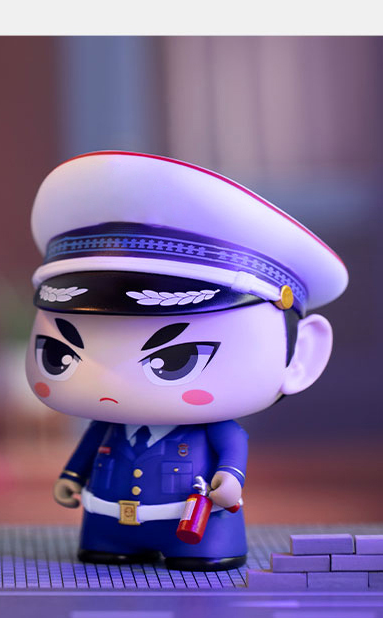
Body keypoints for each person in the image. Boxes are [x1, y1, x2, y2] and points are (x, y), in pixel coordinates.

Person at [25, 151, 347, 571]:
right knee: (104, 553)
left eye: (176, 360)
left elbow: (231, 452)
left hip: (195, 525)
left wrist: (229, 480)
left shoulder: (216, 429)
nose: (112, 381)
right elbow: (89, 447)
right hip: (106, 519)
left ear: (301, 355)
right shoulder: (105, 424)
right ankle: (112, 544)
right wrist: (71, 477)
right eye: (60, 355)